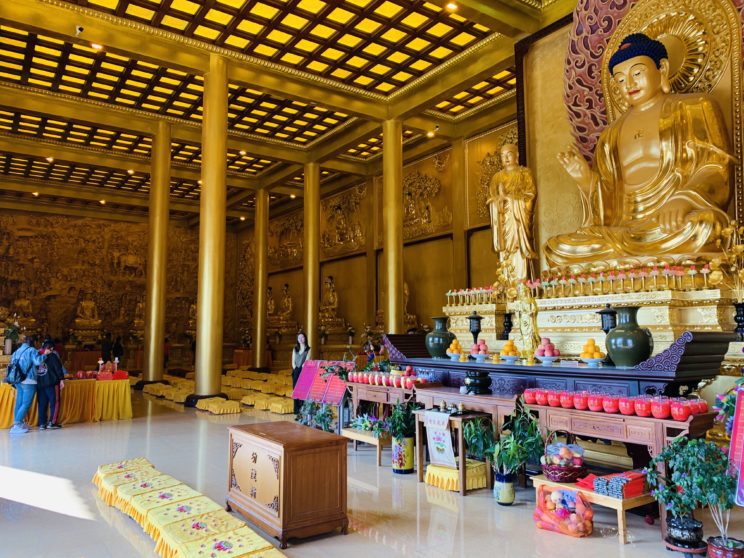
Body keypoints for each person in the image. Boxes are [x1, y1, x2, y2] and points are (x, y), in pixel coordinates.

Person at [547, 33, 733, 265]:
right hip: (626, 232)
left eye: (637, 73)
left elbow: (717, 168)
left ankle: (633, 262)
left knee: (705, 226)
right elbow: (609, 206)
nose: (630, 85)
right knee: (558, 248)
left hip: (674, 224)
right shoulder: (609, 135)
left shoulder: (694, 108)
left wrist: (684, 200)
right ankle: (643, 260)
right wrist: (586, 180)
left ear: (662, 69)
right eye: (621, 80)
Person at [487, 143, 537, 281]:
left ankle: (521, 280)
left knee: (518, 248)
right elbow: (491, 198)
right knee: (505, 250)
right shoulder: (497, 177)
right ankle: (507, 282)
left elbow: (530, 194)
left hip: (518, 218)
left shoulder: (524, 173)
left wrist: (510, 199)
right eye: (502, 155)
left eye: (509, 154)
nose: (506, 158)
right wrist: (499, 200)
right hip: (503, 219)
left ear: (517, 155)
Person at [8, 336, 47, 435]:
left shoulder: (16, 351)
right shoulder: (31, 350)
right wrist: (45, 354)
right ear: (32, 342)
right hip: (29, 379)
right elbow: (37, 362)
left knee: (19, 402)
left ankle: (18, 423)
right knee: (26, 403)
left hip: (18, 380)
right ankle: (17, 425)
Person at [37, 338, 65, 430]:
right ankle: (52, 422)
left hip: (40, 384)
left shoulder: (38, 356)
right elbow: (58, 368)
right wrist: (61, 379)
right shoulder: (53, 356)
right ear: (52, 348)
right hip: (52, 383)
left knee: (42, 404)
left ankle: (42, 423)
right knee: (55, 402)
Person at [291, 332, 310, 414]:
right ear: (297, 340)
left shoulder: (308, 349)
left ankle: (303, 409)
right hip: (296, 371)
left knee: (303, 390)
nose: (301, 339)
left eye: (302, 337)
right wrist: (295, 368)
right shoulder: (295, 349)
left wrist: (302, 368)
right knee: (295, 390)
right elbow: (293, 360)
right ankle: (296, 410)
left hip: (304, 371)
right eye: (299, 338)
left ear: (305, 338)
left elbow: (307, 360)